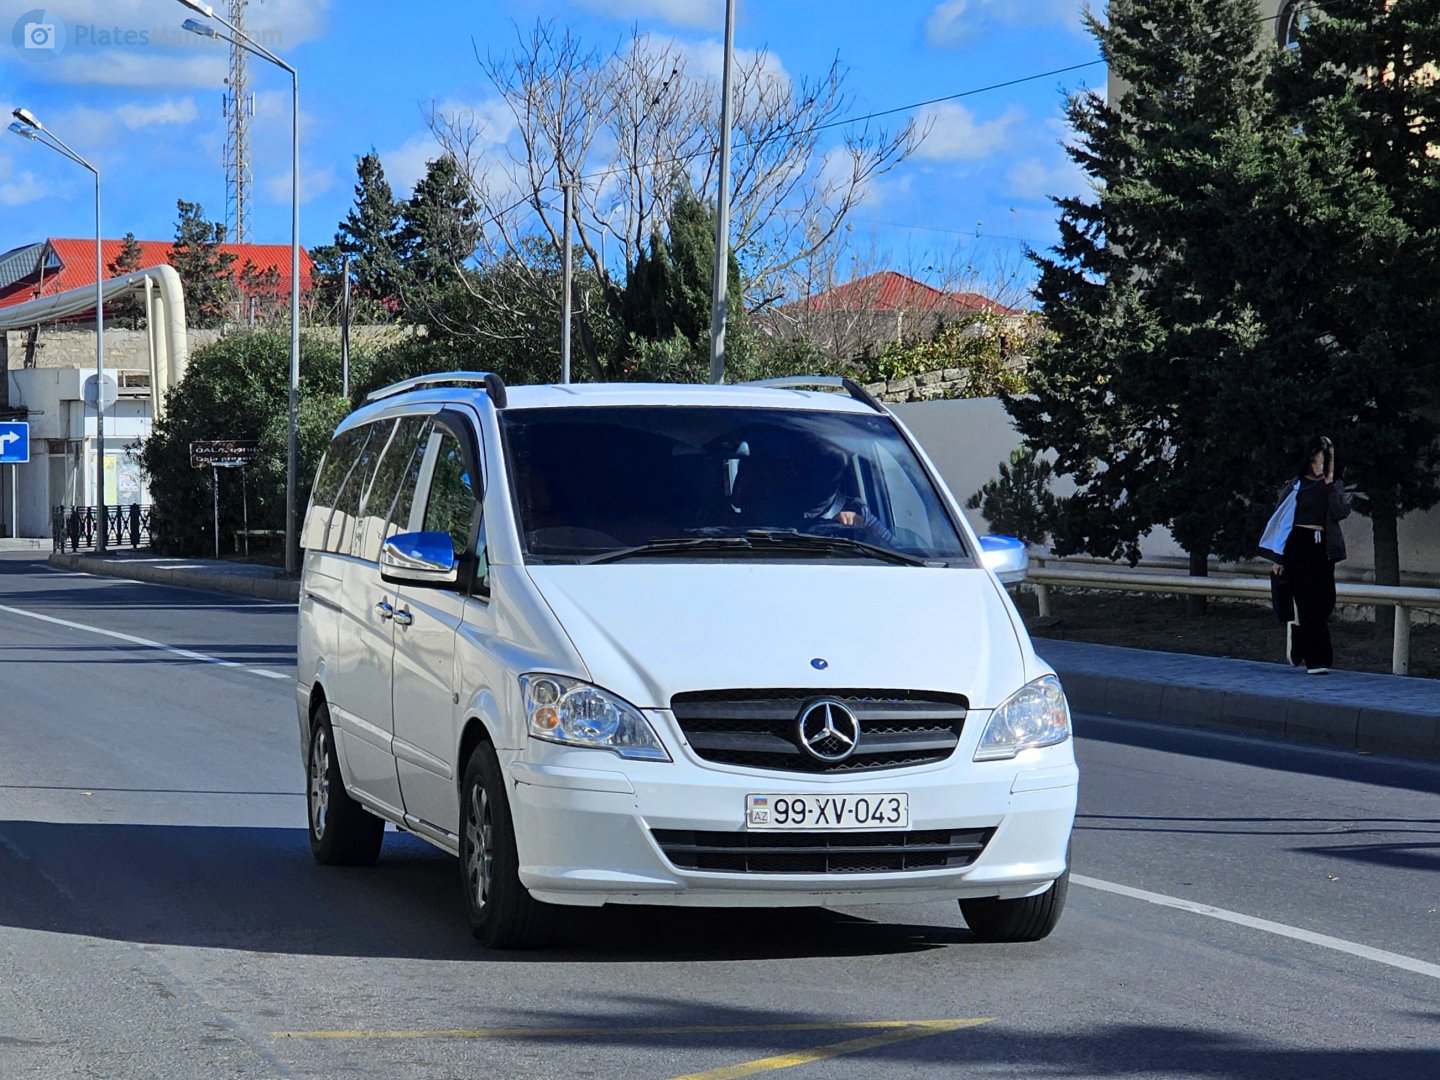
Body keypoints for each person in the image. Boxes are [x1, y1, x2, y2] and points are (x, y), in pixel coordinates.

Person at [1258, 436, 1351, 674]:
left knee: (1325, 600)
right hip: (1297, 545)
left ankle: (1300, 636)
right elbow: (1281, 521)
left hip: (1324, 546)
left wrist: (1331, 487)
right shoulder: (1296, 485)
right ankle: (1317, 661)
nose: (1323, 463)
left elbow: (1341, 513)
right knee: (1308, 603)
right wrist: (1279, 559)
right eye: (1320, 457)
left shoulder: (1334, 485)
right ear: (1311, 459)